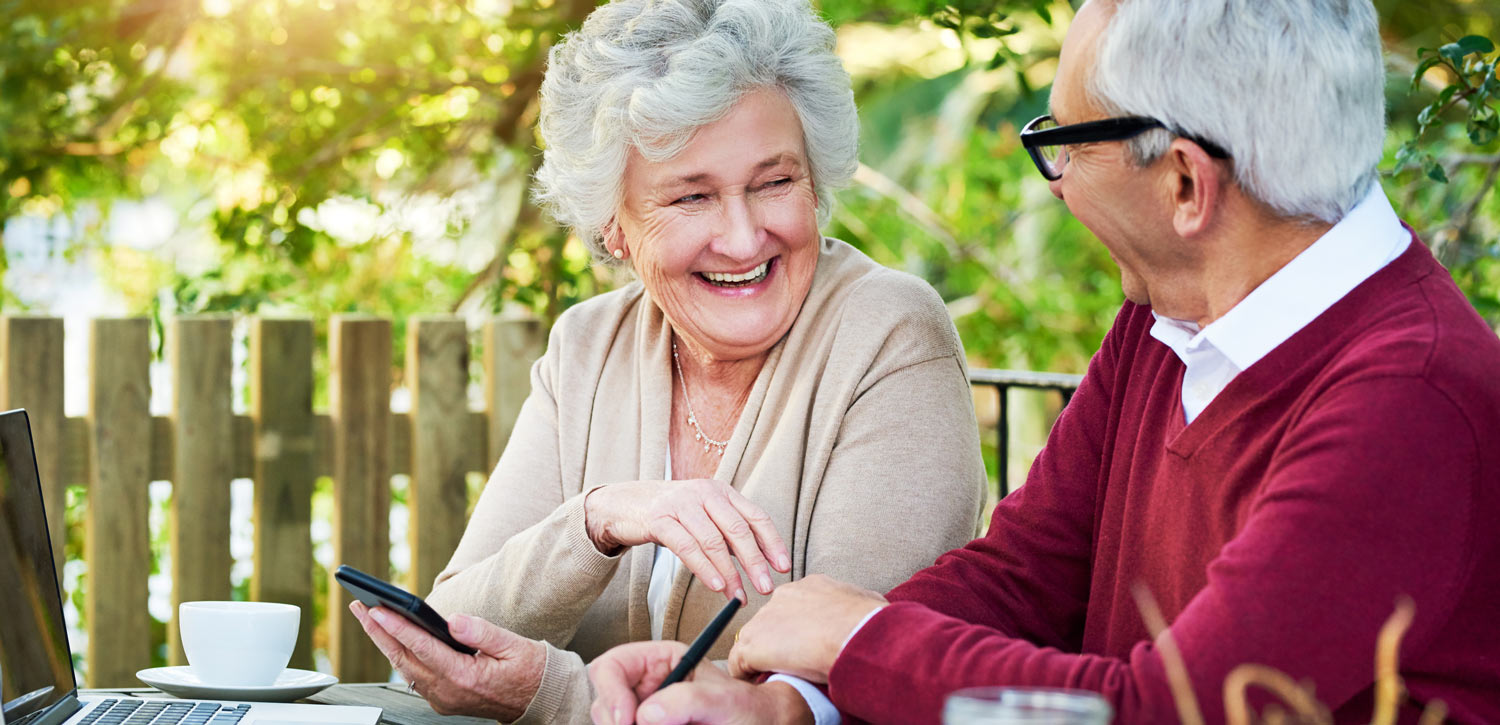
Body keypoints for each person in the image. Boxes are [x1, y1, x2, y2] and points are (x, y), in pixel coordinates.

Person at [586, 0, 1500, 723]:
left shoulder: (1408, 398)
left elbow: (1175, 707)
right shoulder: (1168, 323)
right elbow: (1022, 575)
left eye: (1065, 144)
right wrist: (795, 700)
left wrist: (860, 638)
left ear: (1185, 183)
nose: (1056, 184)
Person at [346, 1, 988, 723]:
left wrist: (558, 694)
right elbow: (454, 628)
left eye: (775, 182)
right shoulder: (588, 345)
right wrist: (601, 518)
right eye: (692, 196)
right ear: (614, 228)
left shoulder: (889, 331)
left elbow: (847, 675)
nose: (744, 239)